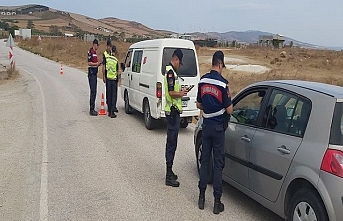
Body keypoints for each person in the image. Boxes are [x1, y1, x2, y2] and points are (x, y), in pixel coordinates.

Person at [196, 51, 233, 214]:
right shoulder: (223, 84)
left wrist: (209, 108)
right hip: (218, 129)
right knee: (218, 164)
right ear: (220, 64)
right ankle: (217, 202)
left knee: (205, 161)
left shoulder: (202, 81)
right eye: (222, 66)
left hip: (206, 126)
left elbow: (198, 104)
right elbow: (229, 109)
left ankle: (202, 197)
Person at [164, 48, 188, 187]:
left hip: (174, 112)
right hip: (172, 113)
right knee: (171, 143)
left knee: (172, 143)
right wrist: (181, 93)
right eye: (179, 62)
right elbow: (172, 93)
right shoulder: (171, 74)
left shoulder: (172, 73)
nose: (180, 65)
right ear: (176, 59)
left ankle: (170, 171)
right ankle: (168, 175)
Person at [103, 44, 119, 118]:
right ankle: (112, 111)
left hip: (108, 79)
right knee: (113, 96)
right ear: (115, 52)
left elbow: (105, 68)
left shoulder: (107, 59)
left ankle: (109, 110)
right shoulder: (116, 60)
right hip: (114, 80)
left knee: (108, 95)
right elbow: (117, 71)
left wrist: (104, 76)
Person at [87, 39, 101, 116]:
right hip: (91, 74)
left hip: (94, 74)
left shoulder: (95, 53)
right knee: (93, 91)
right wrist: (96, 64)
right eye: (97, 45)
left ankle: (93, 108)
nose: (98, 47)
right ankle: (91, 109)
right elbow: (89, 63)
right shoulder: (91, 52)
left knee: (94, 91)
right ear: (94, 44)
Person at [102, 39, 113, 116]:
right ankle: (109, 106)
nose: (110, 48)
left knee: (112, 93)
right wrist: (103, 76)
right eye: (109, 46)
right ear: (107, 46)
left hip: (112, 76)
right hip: (107, 75)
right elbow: (103, 65)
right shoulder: (105, 54)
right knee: (108, 92)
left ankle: (111, 107)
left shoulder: (111, 54)